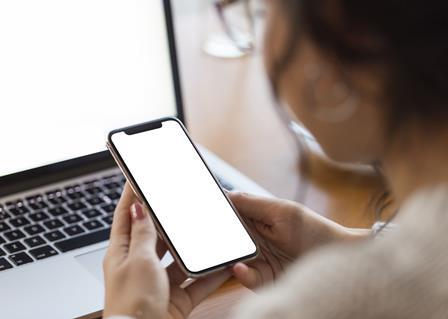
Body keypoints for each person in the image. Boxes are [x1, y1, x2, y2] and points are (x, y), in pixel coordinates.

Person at [102, 0, 448, 318]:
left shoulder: (326, 306)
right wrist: (348, 245)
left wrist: (131, 314)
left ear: (340, 50)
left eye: (266, 13)